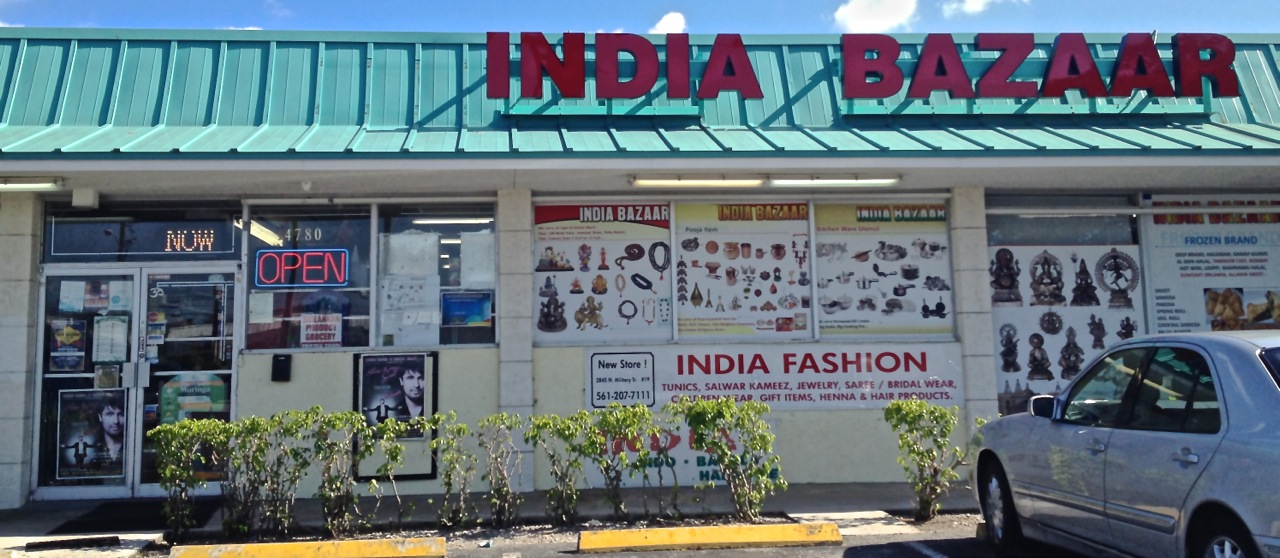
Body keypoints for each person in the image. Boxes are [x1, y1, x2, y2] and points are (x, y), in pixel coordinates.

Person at [97, 399, 126, 463]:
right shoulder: (94, 447)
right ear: (100, 417)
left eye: (121, 415)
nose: (116, 421)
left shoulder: (132, 446)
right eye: (110, 414)